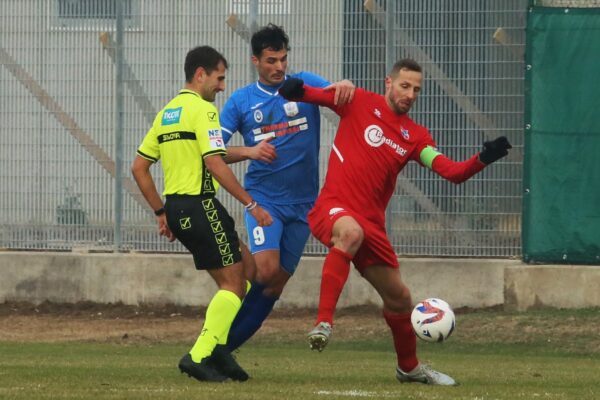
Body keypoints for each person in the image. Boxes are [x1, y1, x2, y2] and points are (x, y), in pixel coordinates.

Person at [278, 58, 511, 385]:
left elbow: (451, 172)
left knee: (400, 299)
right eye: (405, 86)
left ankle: (409, 369)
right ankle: (324, 323)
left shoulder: (415, 137)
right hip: (334, 208)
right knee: (349, 232)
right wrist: (292, 89)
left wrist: (482, 159)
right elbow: (308, 94)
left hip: (372, 228)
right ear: (388, 83)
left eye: (417, 89)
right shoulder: (357, 100)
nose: (411, 93)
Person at [216, 23, 355, 368]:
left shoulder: (302, 84)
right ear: (255, 61)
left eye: (283, 59)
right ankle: (227, 247)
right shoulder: (242, 101)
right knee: (266, 268)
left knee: (274, 285)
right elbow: (213, 152)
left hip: (305, 204)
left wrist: (346, 85)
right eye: (271, 60)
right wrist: (249, 151)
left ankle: (221, 351)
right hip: (264, 200)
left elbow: (338, 93)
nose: (279, 67)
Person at [131, 45, 272, 383]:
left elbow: (139, 167)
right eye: (219, 78)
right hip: (201, 204)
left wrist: (161, 212)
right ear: (200, 75)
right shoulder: (203, 110)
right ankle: (198, 356)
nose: (222, 86)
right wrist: (251, 204)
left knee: (249, 268)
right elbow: (213, 162)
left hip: (180, 207)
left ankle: (219, 348)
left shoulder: (168, 113)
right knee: (234, 284)